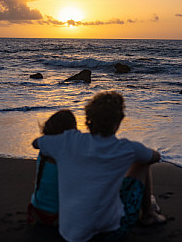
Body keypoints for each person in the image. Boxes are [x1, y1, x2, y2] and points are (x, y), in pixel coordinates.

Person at [32, 91, 166, 242]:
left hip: (70, 232)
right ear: (118, 122)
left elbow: (36, 143)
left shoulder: (68, 141)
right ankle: (148, 214)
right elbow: (156, 157)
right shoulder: (127, 148)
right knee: (142, 163)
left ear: (88, 119)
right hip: (111, 231)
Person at [28, 109, 77, 226]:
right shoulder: (67, 155)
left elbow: (35, 142)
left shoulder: (43, 149)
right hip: (57, 215)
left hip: (37, 210)